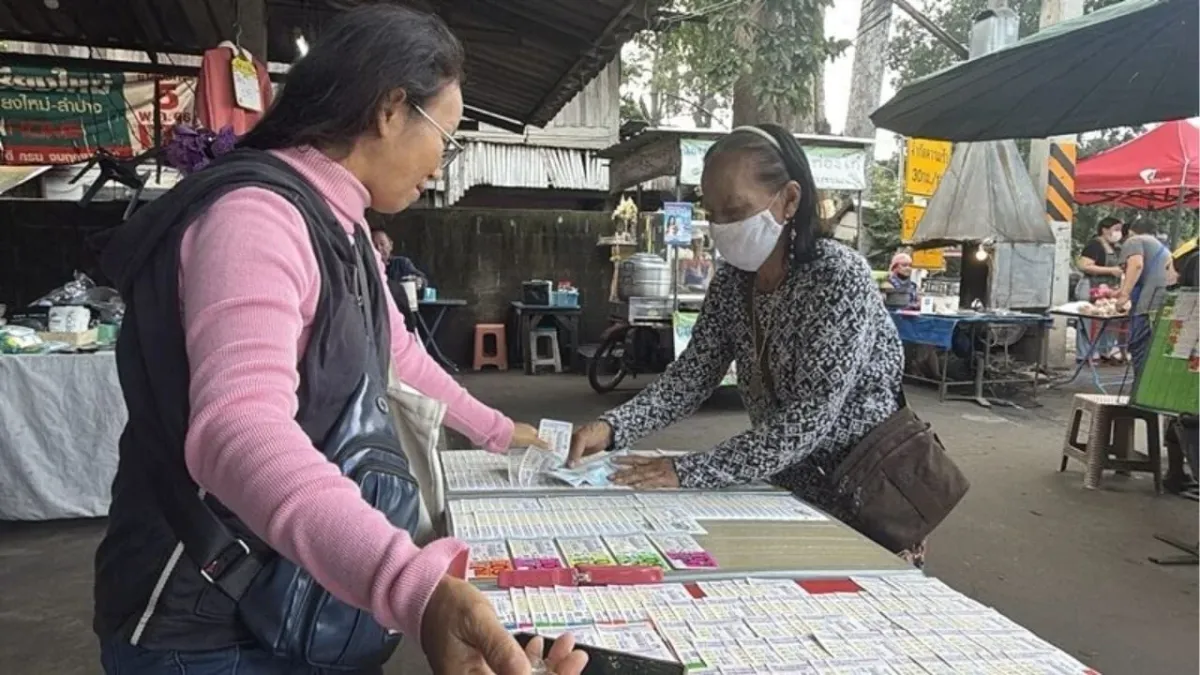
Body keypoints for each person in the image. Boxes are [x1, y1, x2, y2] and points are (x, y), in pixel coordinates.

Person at [92, 6, 583, 674]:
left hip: (289, 598)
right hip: (203, 625)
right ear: (390, 110)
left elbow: (400, 356)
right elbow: (237, 427)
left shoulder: (343, 226)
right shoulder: (256, 220)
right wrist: (409, 584)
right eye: (448, 134)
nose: (443, 163)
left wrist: (505, 432)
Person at [567, 125, 918, 564]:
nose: (721, 228)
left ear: (789, 201)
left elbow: (808, 420)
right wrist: (614, 427)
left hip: (865, 494)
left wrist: (686, 471)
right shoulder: (734, 281)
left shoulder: (838, 277)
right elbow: (692, 376)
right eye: (711, 212)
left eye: (735, 210)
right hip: (787, 488)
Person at [1115, 220, 1176, 377]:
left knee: (1139, 345)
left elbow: (1136, 265)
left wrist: (1123, 295)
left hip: (1150, 301)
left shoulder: (1135, 240)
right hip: (1165, 299)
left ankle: (1139, 387)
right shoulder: (1161, 246)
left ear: (1130, 232)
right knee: (1155, 346)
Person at [1075, 217, 1125, 363]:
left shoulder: (1116, 248)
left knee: (1110, 321)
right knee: (1088, 321)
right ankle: (1084, 355)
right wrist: (1110, 270)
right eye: (1115, 229)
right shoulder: (1094, 245)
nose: (1118, 233)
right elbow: (1084, 266)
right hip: (1091, 286)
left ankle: (1104, 352)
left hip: (1109, 289)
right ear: (1104, 229)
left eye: (1120, 230)